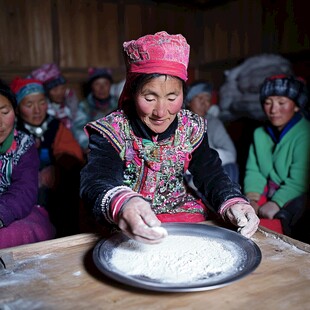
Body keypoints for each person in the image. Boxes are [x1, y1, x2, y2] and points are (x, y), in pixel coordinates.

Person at [80, 31, 259, 244]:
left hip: (182, 214)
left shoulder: (191, 126)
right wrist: (123, 203)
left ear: (184, 94)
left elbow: (210, 173)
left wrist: (232, 201)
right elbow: (97, 180)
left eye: (172, 97)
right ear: (132, 92)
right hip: (127, 222)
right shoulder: (112, 130)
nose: (161, 112)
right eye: (149, 97)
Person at [11, 77, 85, 237]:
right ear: (17, 109)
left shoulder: (55, 126)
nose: (37, 110)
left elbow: (71, 156)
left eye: (41, 102)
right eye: (29, 105)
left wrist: (56, 170)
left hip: (56, 191)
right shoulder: (11, 131)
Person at [243, 74, 310, 238]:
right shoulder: (260, 134)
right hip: (269, 190)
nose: (273, 110)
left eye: (281, 102)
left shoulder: (305, 133)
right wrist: (252, 198)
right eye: (268, 103)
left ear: (296, 106)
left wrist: (277, 202)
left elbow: (300, 180)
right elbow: (255, 170)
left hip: (295, 193)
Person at [0, 80, 55, 248]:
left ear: (15, 112)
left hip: (15, 209)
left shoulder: (23, 145)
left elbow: (24, 189)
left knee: (20, 233)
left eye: (4, 112)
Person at [185, 81, 239, 183]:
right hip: (185, 173)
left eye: (208, 100)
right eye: (200, 98)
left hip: (207, 170)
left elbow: (231, 153)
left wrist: (205, 158)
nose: (204, 104)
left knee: (231, 169)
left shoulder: (213, 123)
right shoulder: (179, 121)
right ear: (188, 101)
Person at [73, 67, 118, 152]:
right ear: (91, 87)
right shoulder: (84, 106)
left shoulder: (119, 104)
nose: (102, 88)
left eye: (106, 83)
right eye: (97, 84)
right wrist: (89, 145)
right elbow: (79, 129)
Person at [30, 63, 80, 132]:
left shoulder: (70, 104)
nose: (60, 93)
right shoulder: (42, 112)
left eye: (63, 88)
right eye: (55, 90)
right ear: (46, 92)